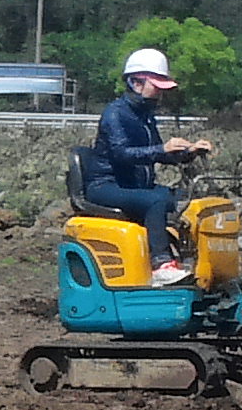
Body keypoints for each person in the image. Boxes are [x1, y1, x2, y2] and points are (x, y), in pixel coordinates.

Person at [87, 48, 211, 286]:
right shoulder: (115, 114)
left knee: (184, 198)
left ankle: (189, 259)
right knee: (155, 201)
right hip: (105, 185)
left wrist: (187, 153)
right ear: (135, 82)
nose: (160, 96)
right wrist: (163, 149)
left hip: (133, 186)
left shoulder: (145, 117)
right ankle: (161, 265)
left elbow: (156, 152)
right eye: (157, 87)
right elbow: (121, 154)